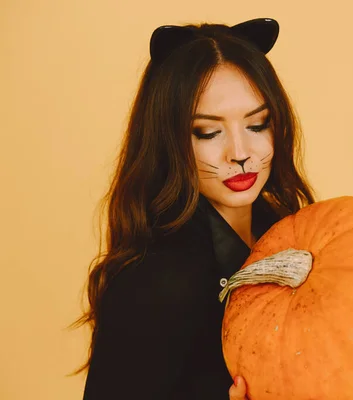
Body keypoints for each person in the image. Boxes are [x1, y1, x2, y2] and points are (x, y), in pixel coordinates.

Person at [74, 17, 316, 399]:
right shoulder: (153, 284)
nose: (239, 154)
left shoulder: (289, 234)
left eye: (257, 125)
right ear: (168, 142)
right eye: (208, 132)